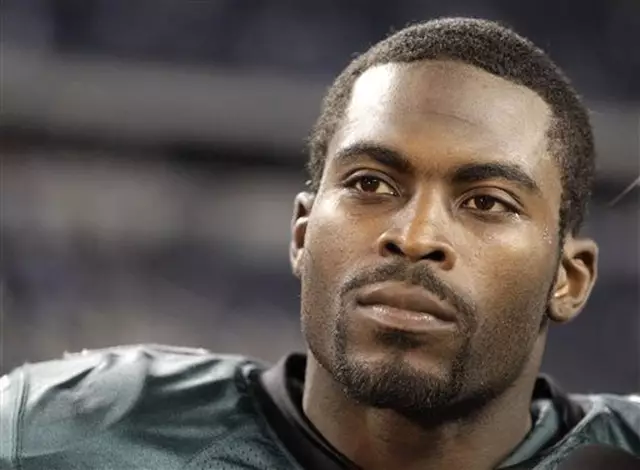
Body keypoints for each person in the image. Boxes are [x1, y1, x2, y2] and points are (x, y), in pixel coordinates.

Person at [1, 17, 638, 470]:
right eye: (370, 184)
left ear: (569, 279)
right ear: (302, 233)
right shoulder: (64, 435)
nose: (413, 237)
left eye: (486, 202)